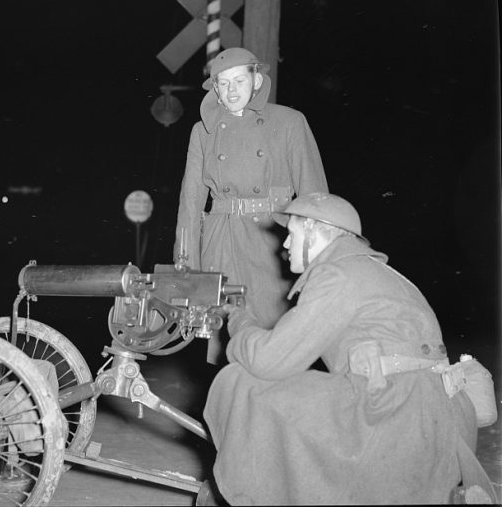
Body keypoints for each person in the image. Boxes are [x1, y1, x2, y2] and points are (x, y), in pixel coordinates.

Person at [202, 192, 497, 505]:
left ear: (316, 231)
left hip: (394, 415)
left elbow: (269, 361)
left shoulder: (337, 274)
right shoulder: (379, 272)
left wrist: (238, 321)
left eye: (293, 233)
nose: (285, 245)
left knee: (243, 382)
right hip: (437, 422)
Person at [174, 47, 328, 363]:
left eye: (239, 81)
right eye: (223, 83)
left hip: (272, 240)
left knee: (277, 341)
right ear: (214, 87)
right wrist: (185, 266)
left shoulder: (289, 122)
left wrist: (320, 257)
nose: (231, 91)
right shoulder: (202, 132)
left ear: (256, 81)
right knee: (228, 339)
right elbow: (190, 204)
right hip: (223, 241)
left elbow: (314, 197)